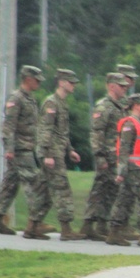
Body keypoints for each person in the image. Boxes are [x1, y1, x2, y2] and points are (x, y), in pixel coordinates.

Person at [0, 65, 50, 239]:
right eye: (36, 80)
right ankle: (34, 225)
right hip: (19, 149)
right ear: (28, 79)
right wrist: (9, 148)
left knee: (10, 185)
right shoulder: (17, 98)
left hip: (26, 147)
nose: (38, 83)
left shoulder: (29, 98)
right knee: (34, 184)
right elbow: (8, 126)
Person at [36, 68, 86, 241]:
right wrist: (48, 154)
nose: (73, 86)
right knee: (62, 189)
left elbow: (62, 132)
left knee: (44, 190)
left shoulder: (62, 103)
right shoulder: (51, 103)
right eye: (71, 82)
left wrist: (70, 149)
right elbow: (46, 130)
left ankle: (33, 225)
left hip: (58, 150)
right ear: (62, 82)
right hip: (52, 152)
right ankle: (66, 229)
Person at [106, 93, 140, 247]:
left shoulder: (139, 124)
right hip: (134, 169)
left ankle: (114, 234)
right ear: (136, 105)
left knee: (124, 200)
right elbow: (124, 150)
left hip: (139, 168)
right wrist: (121, 172)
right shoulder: (130, 124)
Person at [81, 73, 130, 241]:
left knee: (112, 190)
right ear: (111, 86)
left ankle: (102, 224)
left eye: (125, 86)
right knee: (99, 189)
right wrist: (99, 156)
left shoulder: (120, 107)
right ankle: (88, 224)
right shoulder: (104, 106)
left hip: (116, 155)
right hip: (106, 155)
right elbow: (96, 133)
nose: (124, 88)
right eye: (121, 85)